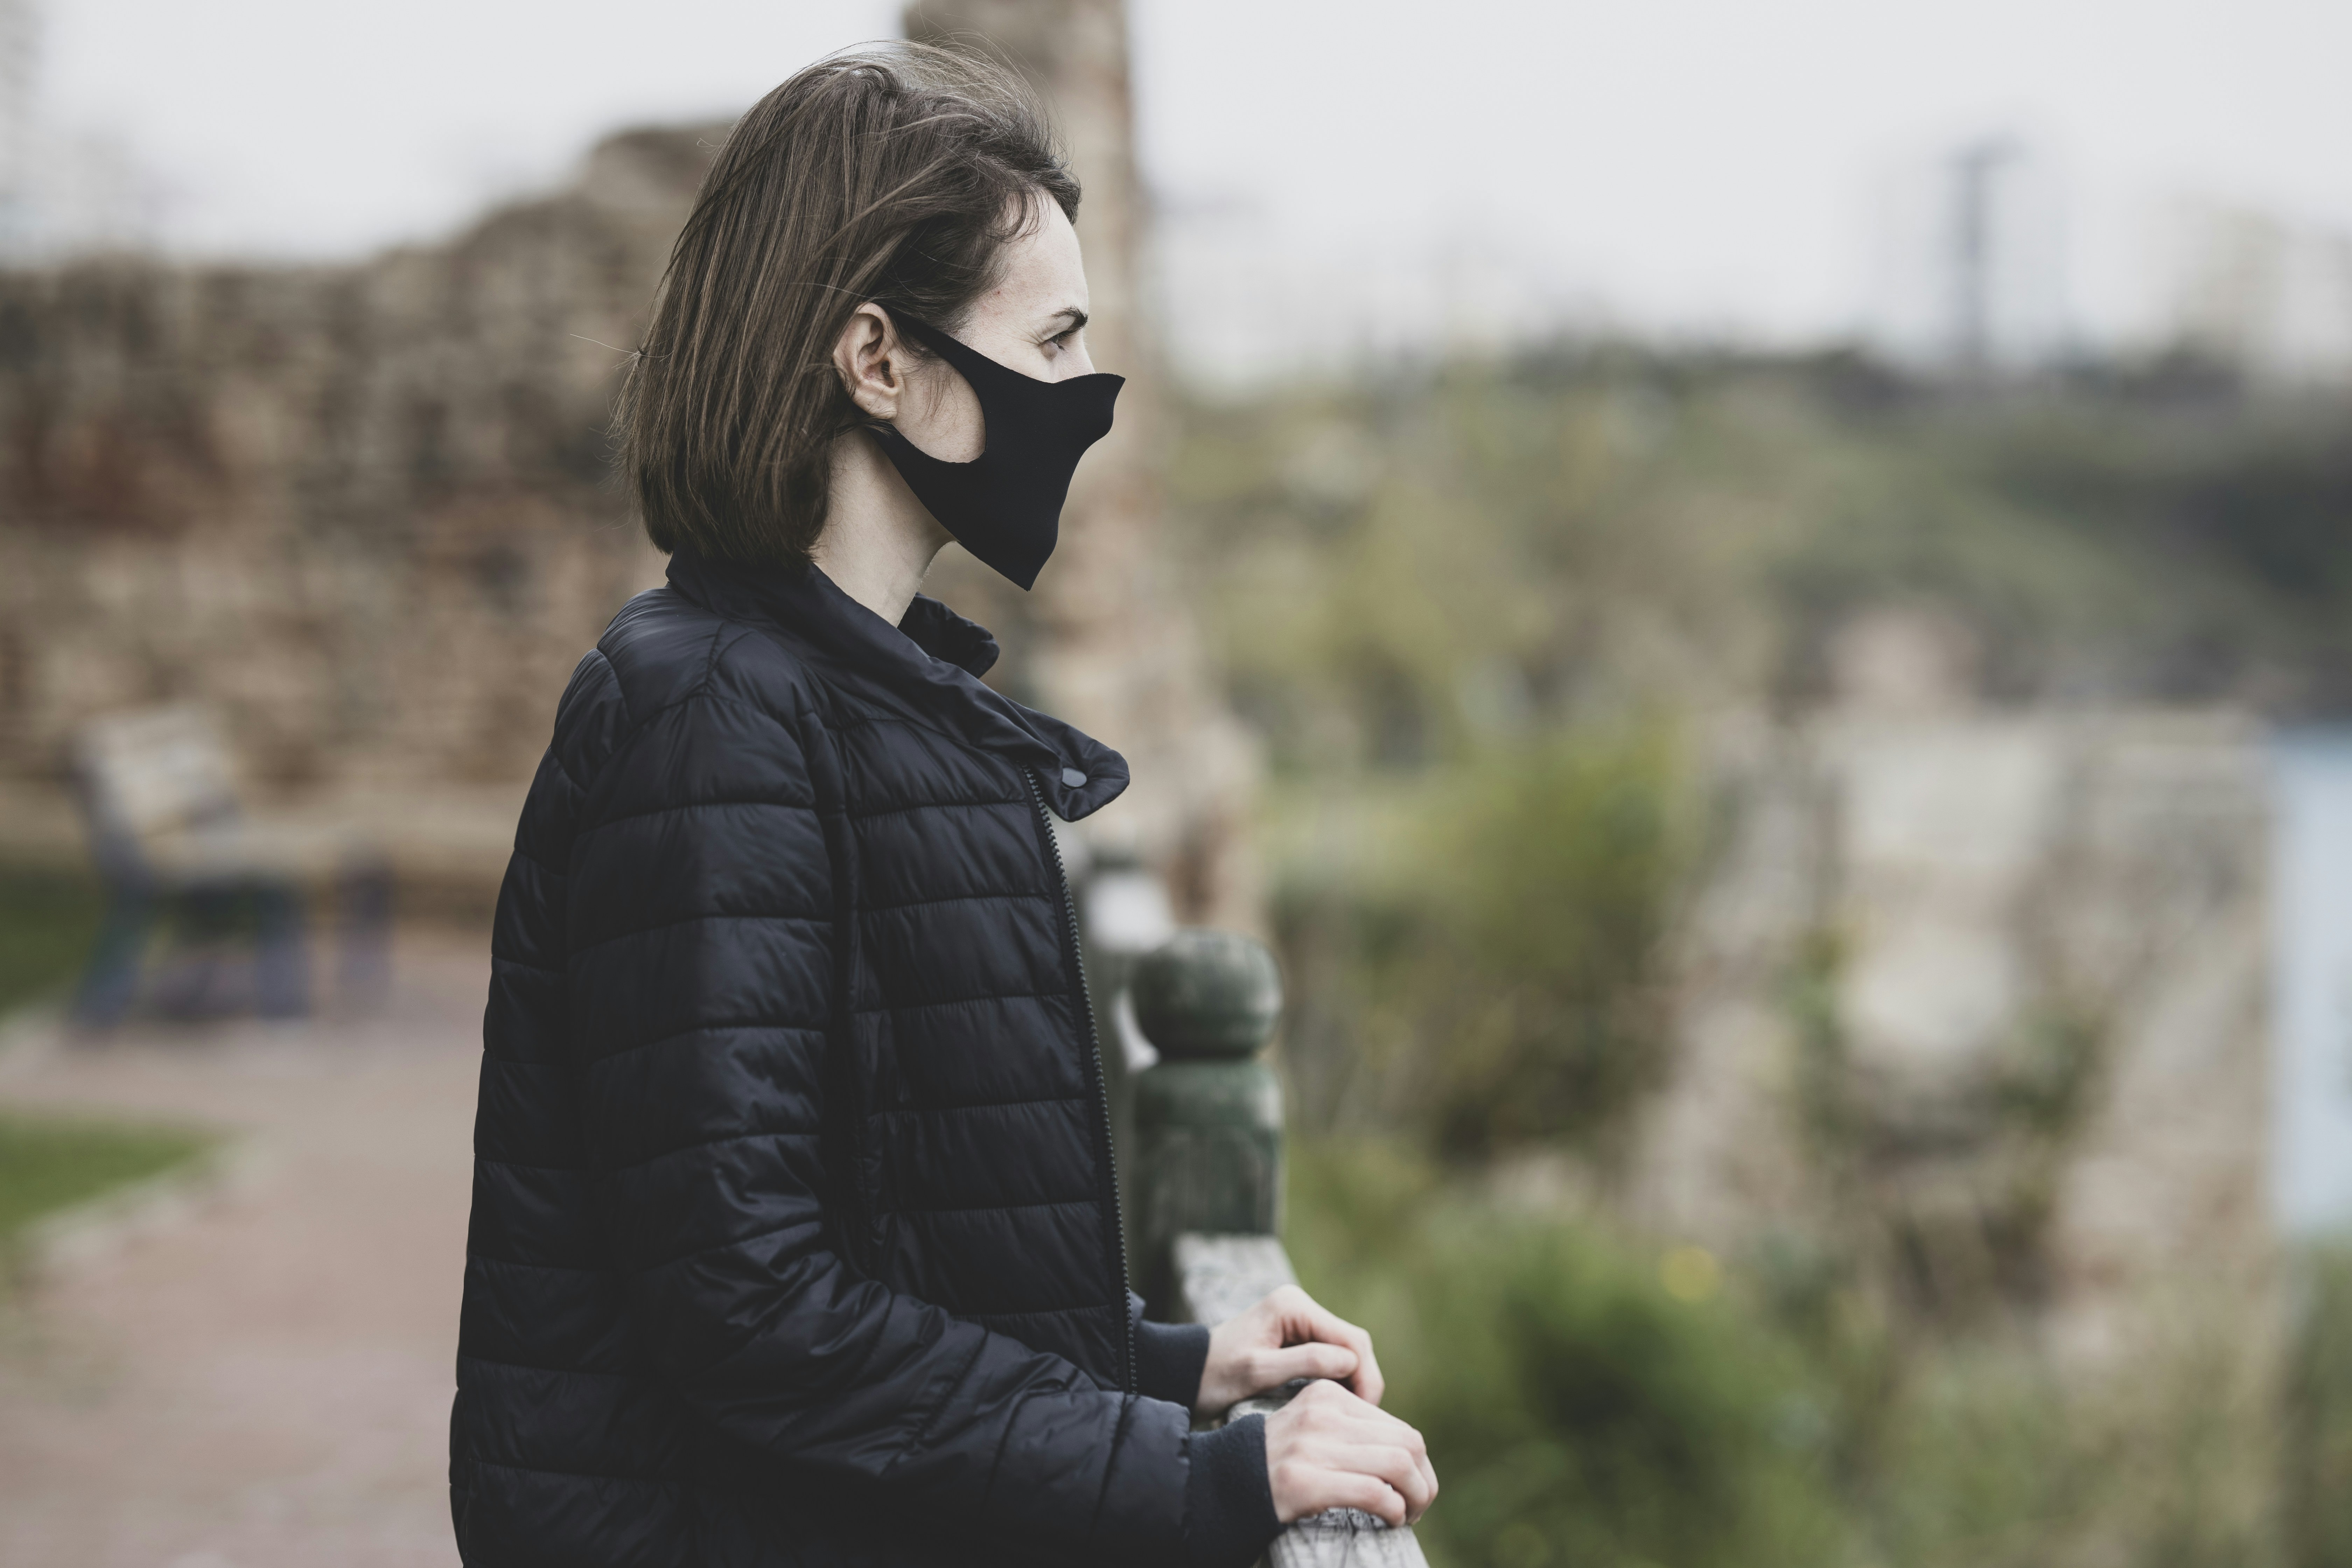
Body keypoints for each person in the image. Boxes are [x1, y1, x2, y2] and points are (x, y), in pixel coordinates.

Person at [448, 42, 1435, 1568]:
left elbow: (889, 1229)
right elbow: (748, 1305)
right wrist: (1205, 1479)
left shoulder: (854, 694)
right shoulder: (711, 722)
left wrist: (1173, 1364)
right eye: (1052, 340)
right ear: (878, 359)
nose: (1083, 399)